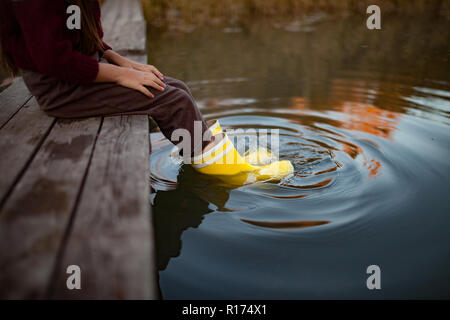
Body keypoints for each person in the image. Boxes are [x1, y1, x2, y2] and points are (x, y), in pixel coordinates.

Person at [0, 0, 292, 184]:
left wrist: (125, 63)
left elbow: (87, 38)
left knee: (175, 86)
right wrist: (120, 75)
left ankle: (212, 155)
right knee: (172, 100)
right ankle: (230, 175)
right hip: (60, 88)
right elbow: (54, 60)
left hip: (81, 70)